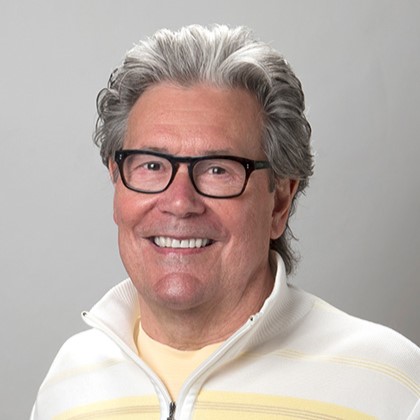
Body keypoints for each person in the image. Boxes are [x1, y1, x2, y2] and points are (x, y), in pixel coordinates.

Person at [31, 24, 420, 420]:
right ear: (117, 183)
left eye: (218, 170)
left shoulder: (389, 385)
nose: (180, 202)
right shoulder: (68, 384)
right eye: (151, 165)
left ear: (279, 202)